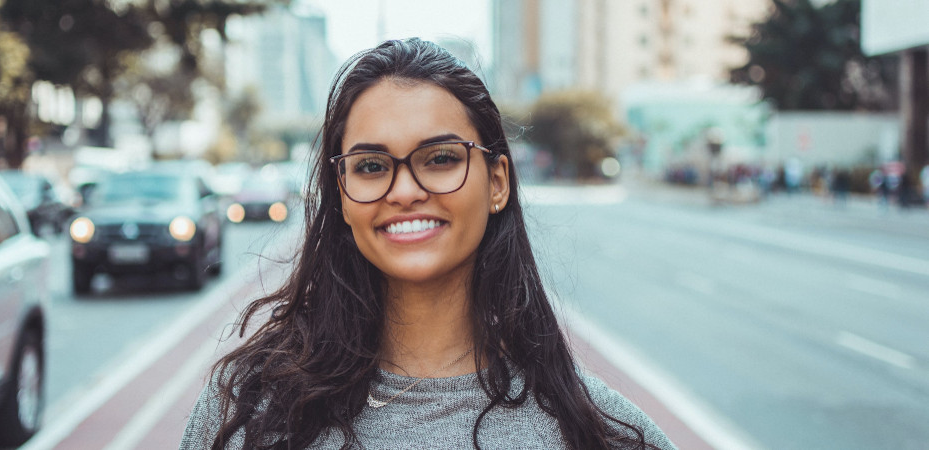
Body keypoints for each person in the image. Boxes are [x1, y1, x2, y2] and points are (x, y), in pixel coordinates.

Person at [180, 38, 675, 449]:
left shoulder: (599, 432)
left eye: (439, 158)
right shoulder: (245, 412)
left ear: (497, 182)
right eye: (372, 166)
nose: (405, 191)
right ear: (343, 197)